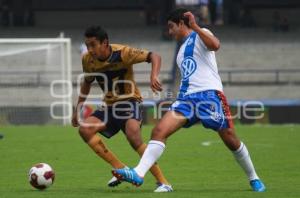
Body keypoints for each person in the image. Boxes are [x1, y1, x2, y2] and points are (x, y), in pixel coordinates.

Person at [112, 8, 266, 192]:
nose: (169, 32)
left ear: (181, 24)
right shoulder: (180, 53)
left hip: (209, 96)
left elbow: (215, 45)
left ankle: (253, 177)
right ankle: (139, 173)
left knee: (230, 138)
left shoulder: (202, 34)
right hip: (186, 99)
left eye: (171, 27)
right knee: (159, 130)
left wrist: (196, 26)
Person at [72, 26, 173, 192]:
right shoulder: (87, 60)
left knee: (134, 135)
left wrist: (153, 75)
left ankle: (164, 183)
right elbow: (87, 83)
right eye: (87, 45)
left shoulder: (123, 53)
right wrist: (78, 109)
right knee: (85, 130)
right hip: (110, 105)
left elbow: (154, 56)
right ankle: (121, 168)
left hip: (130, 101)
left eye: (93, 44)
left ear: (105, 43)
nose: (90, 49)